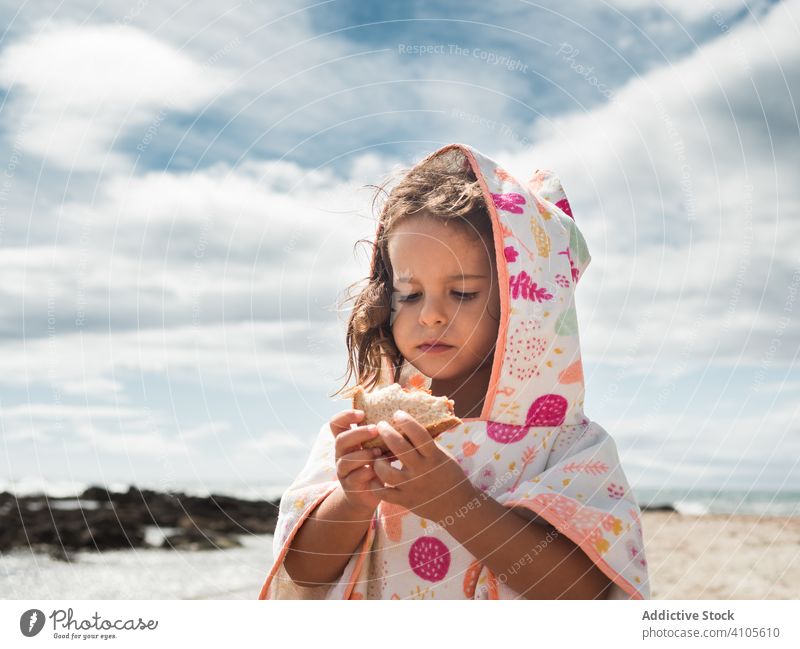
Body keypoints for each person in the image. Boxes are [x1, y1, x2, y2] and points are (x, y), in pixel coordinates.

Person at [257, 143, 650, 599]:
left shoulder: (564, 443)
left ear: (524, 309)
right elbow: (303, 572)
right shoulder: (366, 434)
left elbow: (583, 596)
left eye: (462, 293)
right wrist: (352, 500)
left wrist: (456, 505)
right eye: (409, 294)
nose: (430, 315)